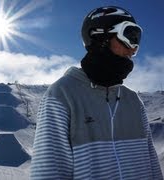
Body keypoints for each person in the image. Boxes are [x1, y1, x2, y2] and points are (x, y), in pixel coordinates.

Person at [30, 6, 163, 179]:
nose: (133, 48)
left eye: (137, 39)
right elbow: (49, 173)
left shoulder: (133, 101)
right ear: (100, 36)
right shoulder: (62, 95)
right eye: (130, 36)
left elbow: (152, 165)